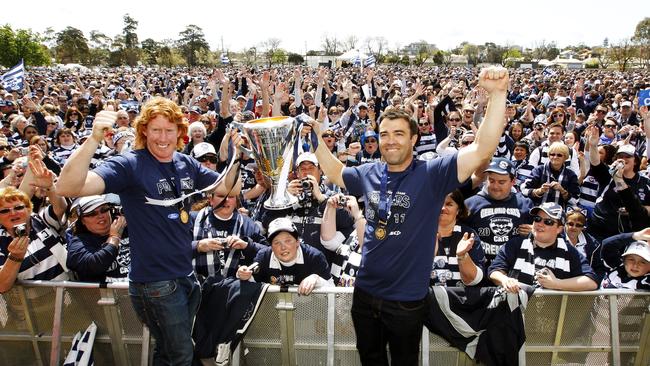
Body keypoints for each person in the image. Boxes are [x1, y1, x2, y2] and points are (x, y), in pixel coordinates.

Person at [311, 67, 510, 365]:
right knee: (370, 361)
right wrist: (315, 138)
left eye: (399, 134)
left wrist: (497, 94)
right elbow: (335, 172)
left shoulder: (433, 174)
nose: (390, 141)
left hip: (406, 301)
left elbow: (482, 149)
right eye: (384, 134)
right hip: (365, 294)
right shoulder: (368, 172)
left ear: (415, 138)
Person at [56, 97, 241, 365]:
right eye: (156, 129)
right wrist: (93, 139)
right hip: (155, 283)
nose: (163, 137)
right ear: (144, 131)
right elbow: (68, 187)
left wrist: (238, 155)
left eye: (169, 130)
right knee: (181, 355)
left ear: (180, 132)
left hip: (185, 276)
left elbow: (229, 189)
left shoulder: (185, 163)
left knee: (166, 352)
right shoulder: (129, 164)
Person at [488, 202, 599, 292]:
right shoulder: (515, 244)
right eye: (537, 219)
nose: (540, 224)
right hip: (515, 313)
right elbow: (494, 271)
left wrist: (556, 284)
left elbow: (591, 281)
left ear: (559, 229)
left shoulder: (569, 251)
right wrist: (505, 280)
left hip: (552, 313)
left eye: (548, 222)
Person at [237, 217, 333, 295]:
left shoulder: (314, 257)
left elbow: (333, 292)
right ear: (271, 246)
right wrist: (243, 275)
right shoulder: (264, 257)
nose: (283, 247)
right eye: (277, 242)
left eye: (288, 241)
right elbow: (249, 287)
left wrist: (317, 279)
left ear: (297, 241)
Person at [464, 158, 533, 265]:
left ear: (513, 181)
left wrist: (535, 231)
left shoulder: (525, 204)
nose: (495, 186)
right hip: (479, 269)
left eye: (501, 182)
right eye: (491, 181)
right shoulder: (470, 204)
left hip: (514, 269)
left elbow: (550, 233)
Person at [66, 195, 130, 283]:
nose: (100, 216)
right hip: (105, 295)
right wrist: (114, 237)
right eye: (92, 213)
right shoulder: (78, 243)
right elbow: (95, 265)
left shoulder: (129, 228)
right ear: (82, 221)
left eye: (104, 210)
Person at [433, 190, 486, 287]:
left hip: (459, 299)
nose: (443, 208)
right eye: (438, 203)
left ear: (459, 210)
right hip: (425, 299)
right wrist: (428, 256)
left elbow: (474, 280)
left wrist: (462, 256)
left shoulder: (468, 235)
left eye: (449, 204)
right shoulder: (419, 234)